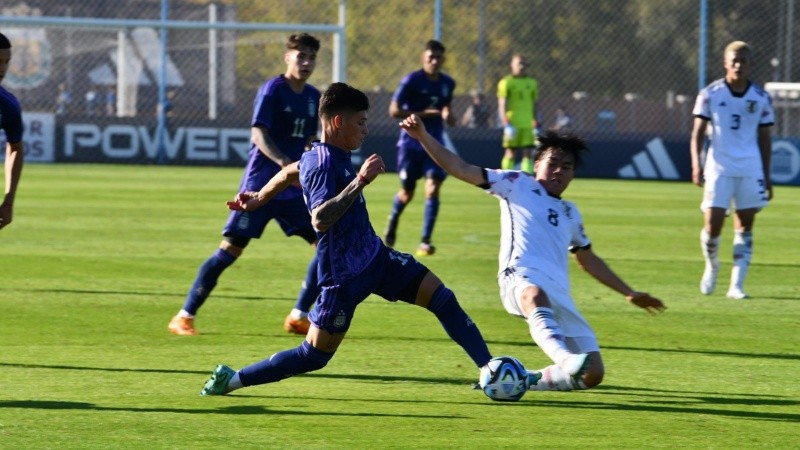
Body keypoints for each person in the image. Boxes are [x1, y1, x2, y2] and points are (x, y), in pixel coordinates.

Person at [199, 82, 494, 396]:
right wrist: (360, 181)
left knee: (441, 298)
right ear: (338, 122)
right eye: (361, 122)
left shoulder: (326, 155)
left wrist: (259, 197)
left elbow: (288, 174)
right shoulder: (324, 163)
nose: (366, 129)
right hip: (344, 278)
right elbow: (320, 219)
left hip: (376, 259)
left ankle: (491, 370)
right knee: (313, 356)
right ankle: (232, 379)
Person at [399, 114, 666, 392]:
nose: (559, 171)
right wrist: (423, 137)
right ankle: (564, 359)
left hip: (559, 292)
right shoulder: (516, 183)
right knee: (535, 297)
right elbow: (462, 168)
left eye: (567, 167)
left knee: (593, 374)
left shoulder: (570, 212)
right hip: (520, 277)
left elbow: (587, 259)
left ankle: (522, 380)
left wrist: (628, 292)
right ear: (537, 163)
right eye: (552, 163)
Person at [168, 33, 323, 336]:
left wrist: (310, 155)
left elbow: (305, 138)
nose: (306, 62)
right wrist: (282, 163)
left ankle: (298, 315)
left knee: (327, 244)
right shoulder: (272, 90)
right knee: (230, 251)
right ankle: (184, 316)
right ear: (287, 57)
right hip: (259, 189)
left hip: (291, 190)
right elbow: (258, 134)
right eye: (300, 55)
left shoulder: (312, 96)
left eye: (311, 57)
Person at [690, 41, 774, 300]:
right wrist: (696, 163)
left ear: (750, 64)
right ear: (726, 63)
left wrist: (767, 175)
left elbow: (765, 137)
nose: (738, 65)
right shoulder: (710, 94)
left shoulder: (761, 98)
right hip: (719, 167)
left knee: (745, 226)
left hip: (750, 168)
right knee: (713, 225)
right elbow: (698, 133)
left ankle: (736, 285)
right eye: (734, 60)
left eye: (743, 61)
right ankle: (712, 264)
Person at [383, 40, 456, 257]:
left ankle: (425, 241)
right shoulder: (412, 81)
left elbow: (447, 113)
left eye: (438, 58)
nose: (434, 61)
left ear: (443, 59)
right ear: (423, 58)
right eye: (430, 57)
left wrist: (448, 116)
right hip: (410, 144)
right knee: (407, 193)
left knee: (432, 188)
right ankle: (393, 220)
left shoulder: (448, 83)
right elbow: (394, 111)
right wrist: (426, 114)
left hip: (434, 144)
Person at [497, 54, 538, 173]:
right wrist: (506, 123)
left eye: (523, 64)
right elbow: (502, 104)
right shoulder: (506, 82)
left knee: (528, 154)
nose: (521, 66)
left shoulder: (532, 82)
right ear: (512, 65)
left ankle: (526, 180)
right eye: (518, 63)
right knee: (510, 153)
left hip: (527, 123)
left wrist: (536, 121)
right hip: (512, 123)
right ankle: (505, 179)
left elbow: (535, 103)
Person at [0, 32, 24, 231]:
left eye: (6, 62)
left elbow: (15, 148)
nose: (2, 68)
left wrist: (8, 202)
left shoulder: (7, 105)